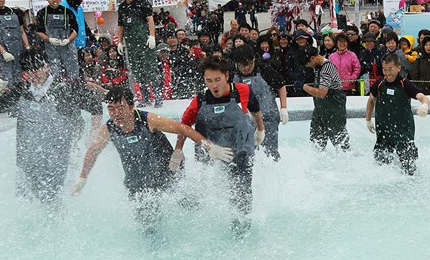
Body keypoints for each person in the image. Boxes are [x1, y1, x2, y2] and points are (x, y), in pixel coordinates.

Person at [75, 86, 217, 233]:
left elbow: (183, 129)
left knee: (183, 202)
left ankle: (202, 221)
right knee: (146, 223)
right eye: (111, 109)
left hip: (166, 170)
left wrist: (209, 147)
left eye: (120, 108)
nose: (116, 113)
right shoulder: (108, 129)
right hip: (137, 180)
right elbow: (93, 151)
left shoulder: (148, 120)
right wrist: (82, 177)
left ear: (131, 107)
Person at [0, 50, 102, 208]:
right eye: (28, 71)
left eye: (35, 69)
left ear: (47, 68)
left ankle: (66, 206)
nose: (32, 75)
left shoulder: (64, 87)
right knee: (30, 183)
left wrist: (93, 135)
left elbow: (95, 105)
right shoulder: (23, 89)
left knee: (61, 183)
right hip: (36, 144)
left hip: (66, 141)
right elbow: (0, 103)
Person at [176, 56, 265, 235]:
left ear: (226, 76)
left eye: (217, 79)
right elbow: (184, 126)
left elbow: (256, 111)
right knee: (207, 184)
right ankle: (204, 221)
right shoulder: (200, 99)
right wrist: (178, 149)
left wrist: (260, 130)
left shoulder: (243, 91)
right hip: (210, 148)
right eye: (209, 81)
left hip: (239, 147)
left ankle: (241, 225)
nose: (214, 85)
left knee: (241, 186)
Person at [365, 54, 430, 175]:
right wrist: (368, 120)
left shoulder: (404, 84)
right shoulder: (379, 83)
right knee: (380, 162)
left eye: (391, 69)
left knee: (408, 164)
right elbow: (370, 100)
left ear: (398, 68)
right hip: (384, 130)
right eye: (385, 69)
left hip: (403, 131)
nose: (388, 73)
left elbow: (422, 97)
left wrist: (425, 105)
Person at [230, 46, 288, 162]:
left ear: (254, 60)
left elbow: (281, 85)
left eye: (249, 65)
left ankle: (274, 172)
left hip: (268, 116)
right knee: (247, 151)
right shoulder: (232, 74)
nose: (246, 68)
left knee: (269, 151)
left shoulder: (264, 69)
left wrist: (284, 108)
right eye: (242, 66)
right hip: (246, 120)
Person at [115, 0, 162, 107]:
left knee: (150, 69)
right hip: (131, 44)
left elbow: (150, 20)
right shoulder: (122, 7)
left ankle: (158, 97)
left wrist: (152, 36)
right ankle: (145, 98)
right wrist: (119, 42)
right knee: (138, 71)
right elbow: (120, 26)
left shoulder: (143, 3)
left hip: (145, 42)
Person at [300, 46, 350, 150]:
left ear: (312, 58)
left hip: (334, 108)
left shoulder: (327, 68)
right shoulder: (318, 68)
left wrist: (304, 87)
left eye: (308, 64)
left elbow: (321, 93)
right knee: (316, 143)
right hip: (320, 109)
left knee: (341, 144)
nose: (309, 67)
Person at [34, 0, 79, 79]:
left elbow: (75, 30)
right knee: (56, 75)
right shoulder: (42, 13)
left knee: (73, 74)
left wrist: (68, 40)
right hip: (51, 49)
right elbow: (39, 31)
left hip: (68, 48)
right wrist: (49, 39)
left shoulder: (68, 12)